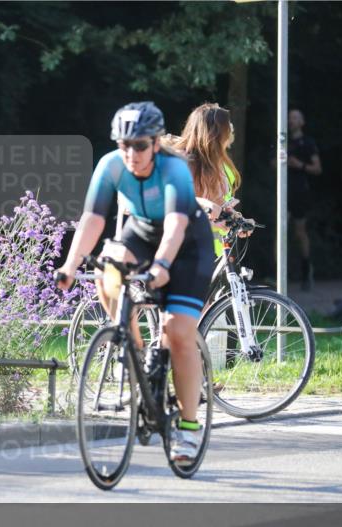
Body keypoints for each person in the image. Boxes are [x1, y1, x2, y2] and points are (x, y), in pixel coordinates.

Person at [55, 101, 214, 463]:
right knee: (106, 267)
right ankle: (135, 351)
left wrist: (162, 265)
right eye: (124, 145)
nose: (131, 154)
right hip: (141, 231)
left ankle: (189, 428)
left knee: (177, 332)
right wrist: (70, 264)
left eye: (140, 145)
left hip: (188, 245)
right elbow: (93, 219)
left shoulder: (174, 169)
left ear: (156, 143)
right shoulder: (110, 165)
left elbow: (175, 225)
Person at [163, 102, 243, 257]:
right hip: (172, 250)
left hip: (205, 250)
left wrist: (234, 218)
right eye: (226, 128)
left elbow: (217, 205)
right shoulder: (177, 161)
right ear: (215, 133)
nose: (230, 131)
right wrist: (205, 204)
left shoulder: (218, 165)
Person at [287, 108, 322, 290]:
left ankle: (306, 271)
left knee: (299, 232)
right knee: (280, 231)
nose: (291, 120)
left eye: (295, 117)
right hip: (283, 192)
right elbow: (272, 163)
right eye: (289, 117)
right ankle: (276, 274)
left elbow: (317, 168)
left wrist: (299, 165)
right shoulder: (282, 141)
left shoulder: (308, 143)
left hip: (300, 192)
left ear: (302, 122)